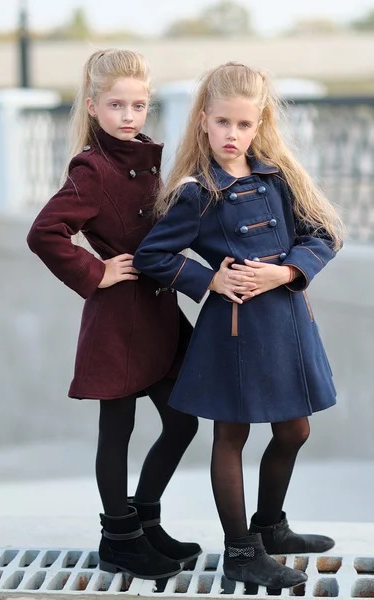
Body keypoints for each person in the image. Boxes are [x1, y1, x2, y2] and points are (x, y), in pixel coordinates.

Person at [133, 62, 343, 588]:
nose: (233, 135)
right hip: (235, 330)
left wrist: (287, 270)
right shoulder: (197, 192)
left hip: (291, 320)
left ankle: (270, 527)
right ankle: (241, 550)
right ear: (204, 120)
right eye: (223, 122)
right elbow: (153, 255)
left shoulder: (279, 176)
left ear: (259, 124)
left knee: (295, 428)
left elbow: (324, 236)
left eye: (244, 125)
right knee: (231, 435)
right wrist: (210, 282)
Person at [27, 48, 202, 580]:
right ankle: (118, 538)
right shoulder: (93, 169)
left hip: (159, 315)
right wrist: (96, 271)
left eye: (139, 106)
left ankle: (144, 520)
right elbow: (44, 232)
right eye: (117, 106)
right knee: (117, 431)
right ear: (94, 106)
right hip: (120, 320)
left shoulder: (147, 159)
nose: (129, 116)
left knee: (181, 421)